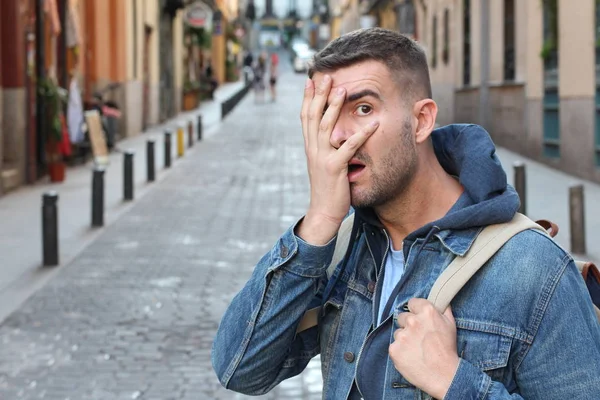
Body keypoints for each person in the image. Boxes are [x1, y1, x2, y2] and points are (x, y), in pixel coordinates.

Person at [212, 28, 600, 399]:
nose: (337, 136)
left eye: (363, 108)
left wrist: (453, 381)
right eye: (326, 113)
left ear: (421, 120)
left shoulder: (534, 270)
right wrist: (319, 222)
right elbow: (241, 369)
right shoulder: (342, 249)